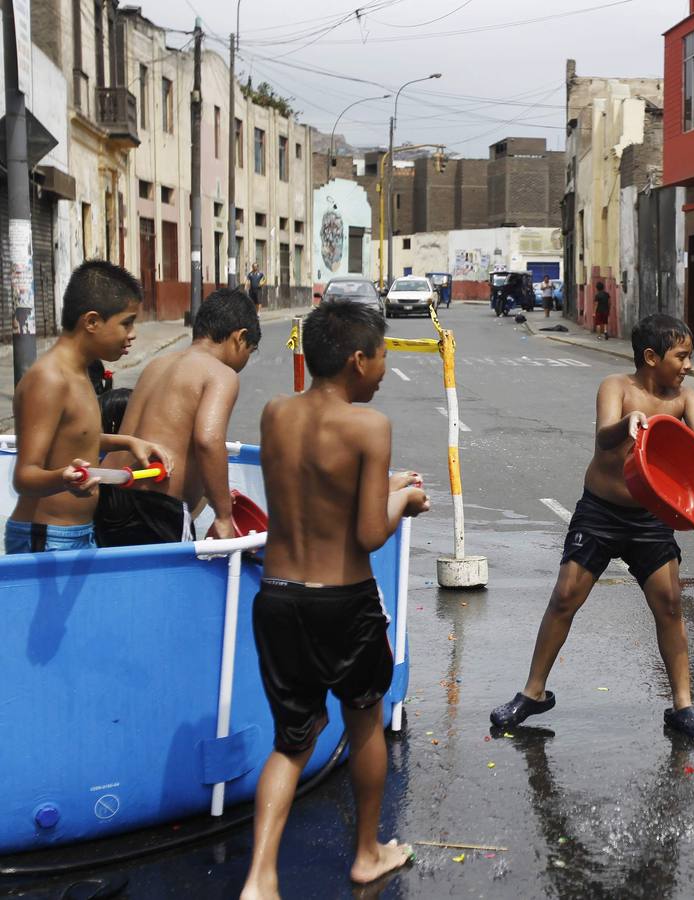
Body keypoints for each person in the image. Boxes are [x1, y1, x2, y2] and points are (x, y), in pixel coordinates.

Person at [240, 300, 428, 899]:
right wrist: (405, 501)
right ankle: (368, 854)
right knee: (366, 722)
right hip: (341, 604)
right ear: (356, 359)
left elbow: (314, 489)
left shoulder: (274, 414)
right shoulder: (370, 427)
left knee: (290, 742)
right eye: (381, 358)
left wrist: (384, 487)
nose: (382, 370)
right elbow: (371, 532)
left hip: (276, 596)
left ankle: (260, 879)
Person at [490, 314, 694, 740]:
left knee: (669, 604)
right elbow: (602, 437)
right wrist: (624, 426)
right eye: (681, 356)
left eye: (690, 357)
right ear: (651, 357)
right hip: (601, 511)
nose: (688, 365)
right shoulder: (617, 387)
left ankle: (683, 706)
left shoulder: (684, 399)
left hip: (650, 517)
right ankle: (533, 692)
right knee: (565, 597)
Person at [6, 261, 171, 555]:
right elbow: (24, 476)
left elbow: (73, 438)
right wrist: (63, 479)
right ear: (92, 321)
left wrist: (130, 442)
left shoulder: (80, 371)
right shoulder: (49, 379)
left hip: (74, 534)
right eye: (127, 322)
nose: (133, 334)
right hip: (47, 539)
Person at [96, 288, 261, 546]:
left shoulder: (157, 364)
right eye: (249, 351)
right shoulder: (221, 374)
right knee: (166, 584)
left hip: (111, 494)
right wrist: (224, 516)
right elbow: (208, 440)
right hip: (155, 505)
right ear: (240, 338)